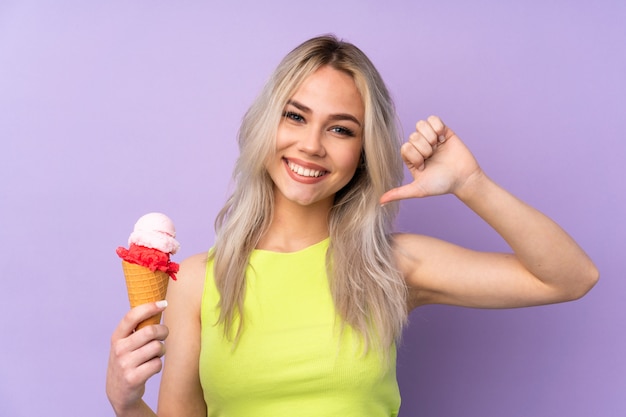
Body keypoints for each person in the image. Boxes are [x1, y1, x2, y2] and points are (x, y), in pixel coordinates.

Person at [106, 35, 598, 417]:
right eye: (295, 117)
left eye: (341, 128)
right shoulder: (197, 280)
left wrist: (471, 182)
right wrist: (127, 404)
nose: (312, 145)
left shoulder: (392, 266)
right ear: (266, 126)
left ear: (363, 153)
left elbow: (571, 277)